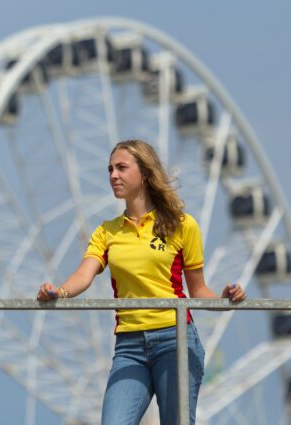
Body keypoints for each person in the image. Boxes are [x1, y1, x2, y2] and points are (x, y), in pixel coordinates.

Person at [37, 140, 246, 425]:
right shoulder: (106, 232)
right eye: (110, 169)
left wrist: (224, 300)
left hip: (176, 339)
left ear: (145, 174)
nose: (113, 175)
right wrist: (57, 292)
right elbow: (84, 275)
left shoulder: (183, 225)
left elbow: (198, 291)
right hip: (129, 345)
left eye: (122, 168)